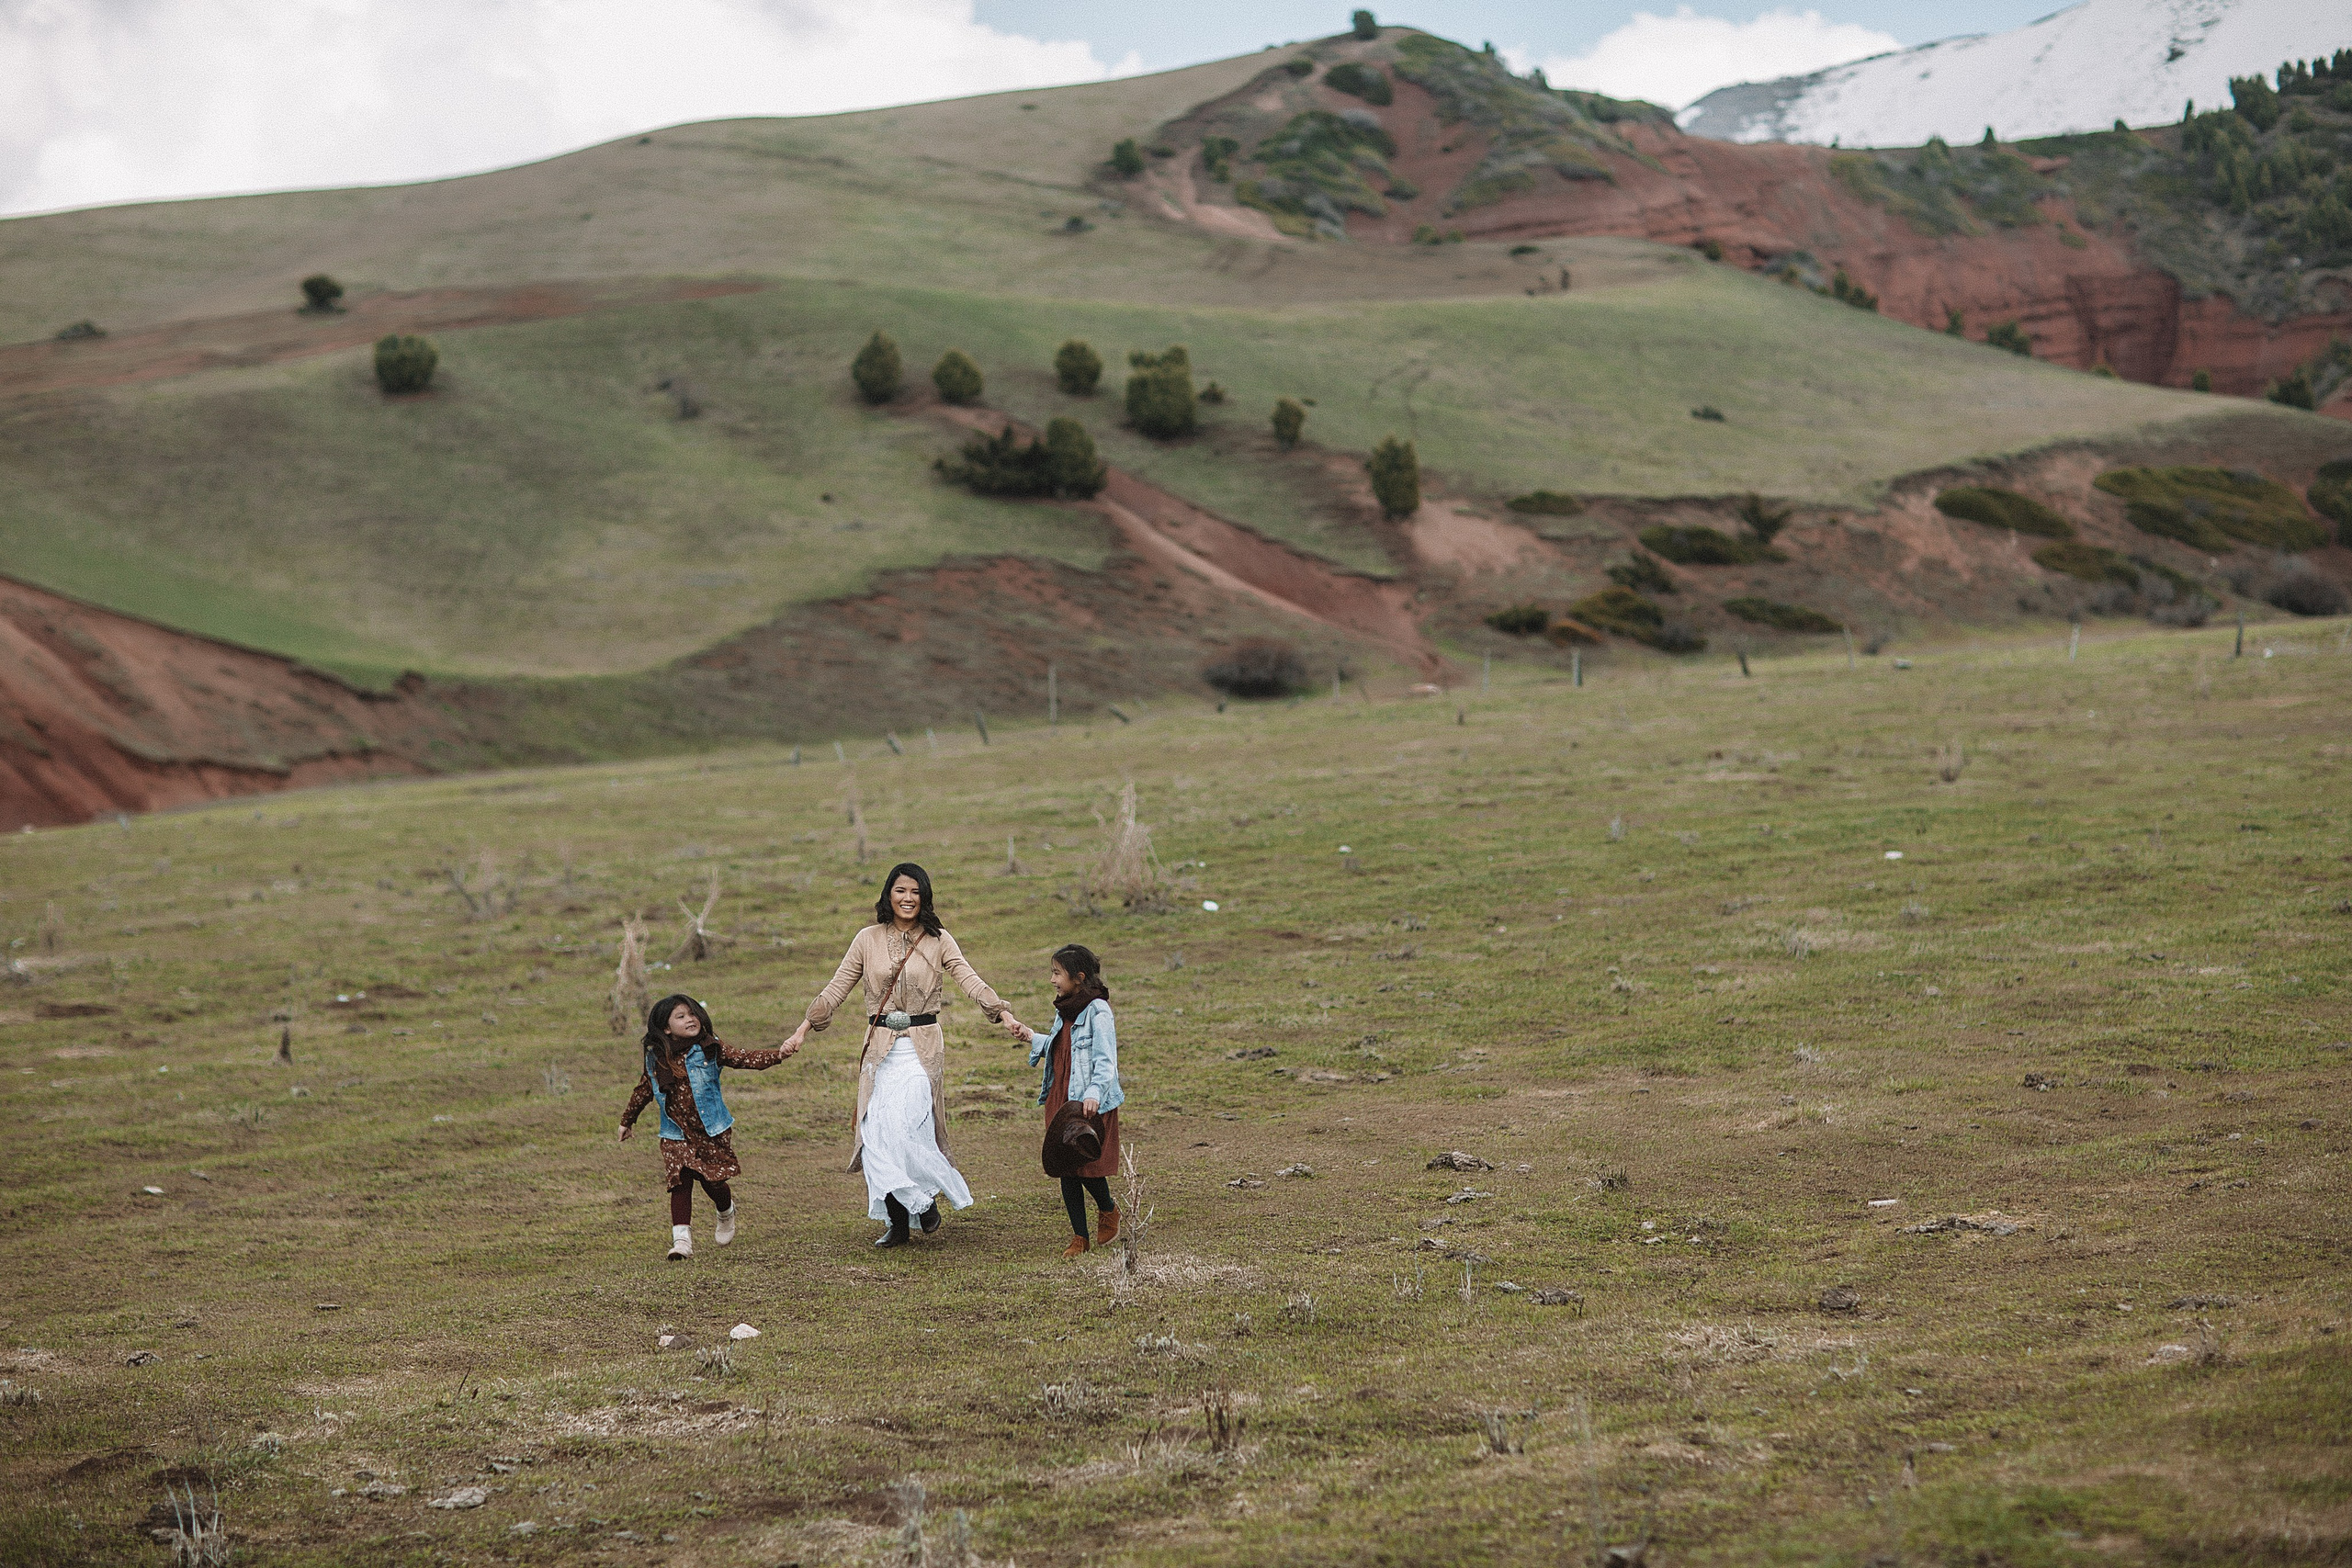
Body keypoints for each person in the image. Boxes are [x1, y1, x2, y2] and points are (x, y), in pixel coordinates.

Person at [783, 862, 1015, 1248]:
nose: (907, 899)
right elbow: (837, 987)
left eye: (915, 892)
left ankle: (922, 1204)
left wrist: (1001, 1012)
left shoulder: (939, 939)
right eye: (900, 891)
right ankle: (902, 1219)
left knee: (905, 1128)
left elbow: (968, 977)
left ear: (924, 897)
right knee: (874, 1133)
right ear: (888, 895)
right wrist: (803, 1028)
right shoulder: (867, 939)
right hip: (880, 1050)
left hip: (922, 1048)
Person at [618, 994, 792, 1259]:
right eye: (681, 1016)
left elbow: (745, 1057)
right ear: (666, 1028)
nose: (690, 1019)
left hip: (711, 1130)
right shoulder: (656, 1058)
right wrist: (627, 1120)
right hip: (675, 1133)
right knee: (680, 1181)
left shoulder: (711, 1048)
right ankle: (682, 1243)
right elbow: (644, 1089)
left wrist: (778, 1054)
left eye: (692, 1014)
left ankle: (726, 1211)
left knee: (713, 1181)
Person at [1019, 943, 1125, 1258]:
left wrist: (1093, 1093)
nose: (1052, 980)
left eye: (1056, 973)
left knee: (1088, 1165)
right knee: (1065, 1166)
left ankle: (1108, 1210)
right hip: (1061, 1097)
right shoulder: (1065, 1007)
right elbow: (1060, 1046)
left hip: (1087, 1100)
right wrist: (1029, 1036)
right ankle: (1080, 1237)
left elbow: (1106, 1061)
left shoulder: (1098, 1011)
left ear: (1078, 977)